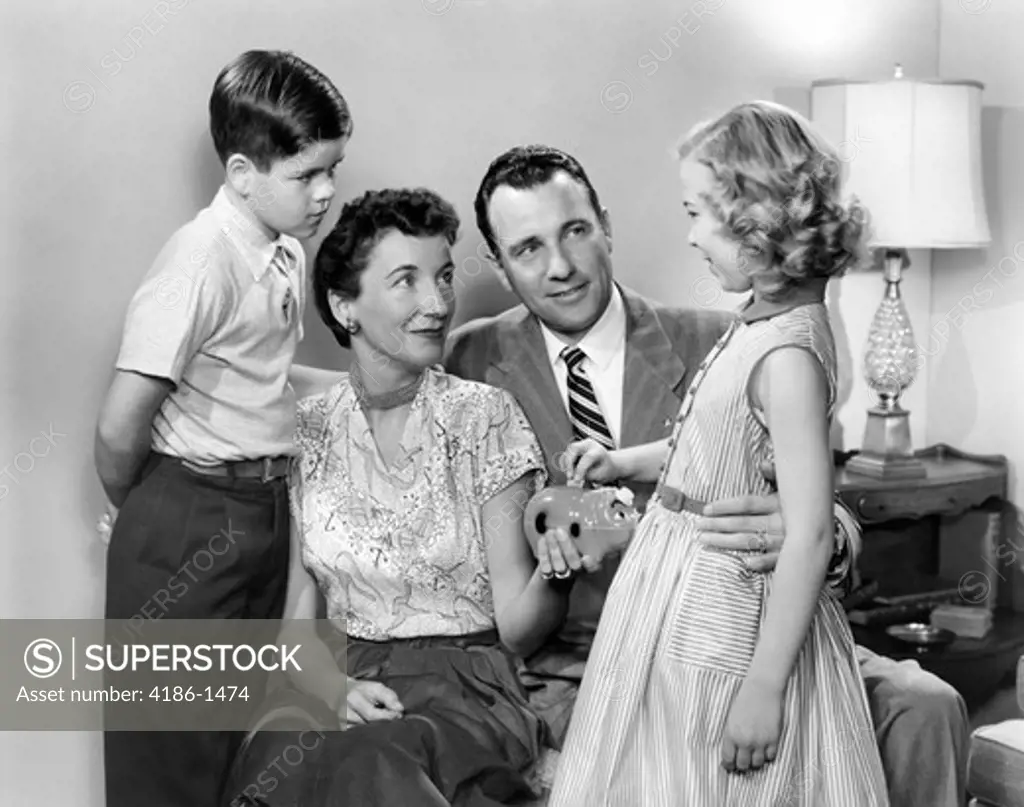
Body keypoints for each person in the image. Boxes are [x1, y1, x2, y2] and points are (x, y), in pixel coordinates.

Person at [444, 143, 969, 805]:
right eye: (527, 249)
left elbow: (823, 509)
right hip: (586, 664)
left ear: (605, 223)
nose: (561, 266)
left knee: (927, 702)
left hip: (751, 630)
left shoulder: (728, 337)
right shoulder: (471, 360)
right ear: (499, 262)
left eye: (575, 230)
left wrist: (823, 536)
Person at [549, 101, 888, 805]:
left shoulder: (789, 353)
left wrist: (764, 686)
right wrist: (622, 461)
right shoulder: (757, 323)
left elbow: (811, 529)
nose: (694, 235)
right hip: (676, 591)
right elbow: (710, 445)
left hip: (727, 613)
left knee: (707, 783)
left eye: (699, 214)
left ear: (756, 222)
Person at [221, 187, 584, 807]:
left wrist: (559, 570)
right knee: (283, 756)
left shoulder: (483, 418)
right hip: (343, 678)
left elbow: (519, 628)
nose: (438, 303)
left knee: (372, 760)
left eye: (443, 276)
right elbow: (295, 632)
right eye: (406, 282)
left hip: (464, 690)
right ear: (345, 307)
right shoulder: (305, 431)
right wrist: (333, 691)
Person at [93, 49, 351, 807]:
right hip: (190, 512)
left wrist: (382, 389)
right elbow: (117, 430)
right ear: (242, 173)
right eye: (307, 175)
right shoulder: (199, 261)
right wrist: (157, 512)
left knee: (252, 747)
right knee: (167, 771)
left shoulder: (283, 250)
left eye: (334, 168)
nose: (328, 192)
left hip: (264, 516)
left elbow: (261, 381)